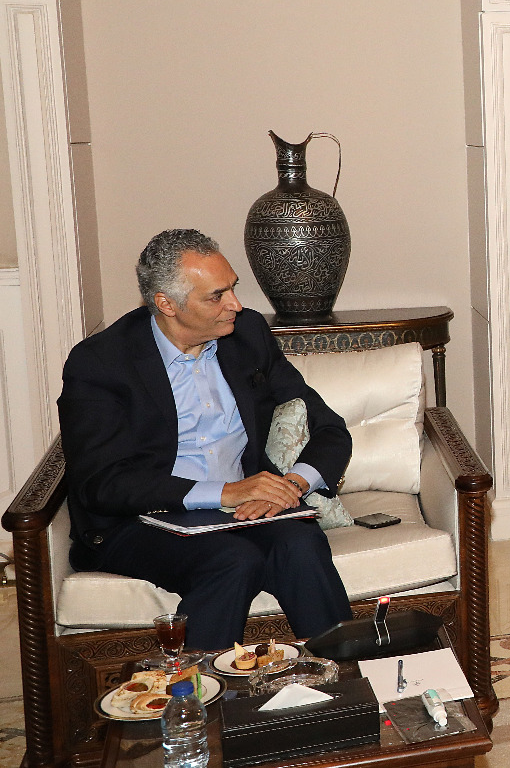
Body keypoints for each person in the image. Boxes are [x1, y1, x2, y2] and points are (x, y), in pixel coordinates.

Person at [59, 229, 354, 650]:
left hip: (240, 510)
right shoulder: (102, 362)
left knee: (301, 541)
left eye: (233, 288)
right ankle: (196, 687)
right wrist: (226, 491)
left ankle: (342, 674)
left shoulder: (247, 334)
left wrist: (289, 486)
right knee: (233, 560)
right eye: (217, 296)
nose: (235, 304)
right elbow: (102, 483)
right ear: (167, 304)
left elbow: (329, 428)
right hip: (141, 521)